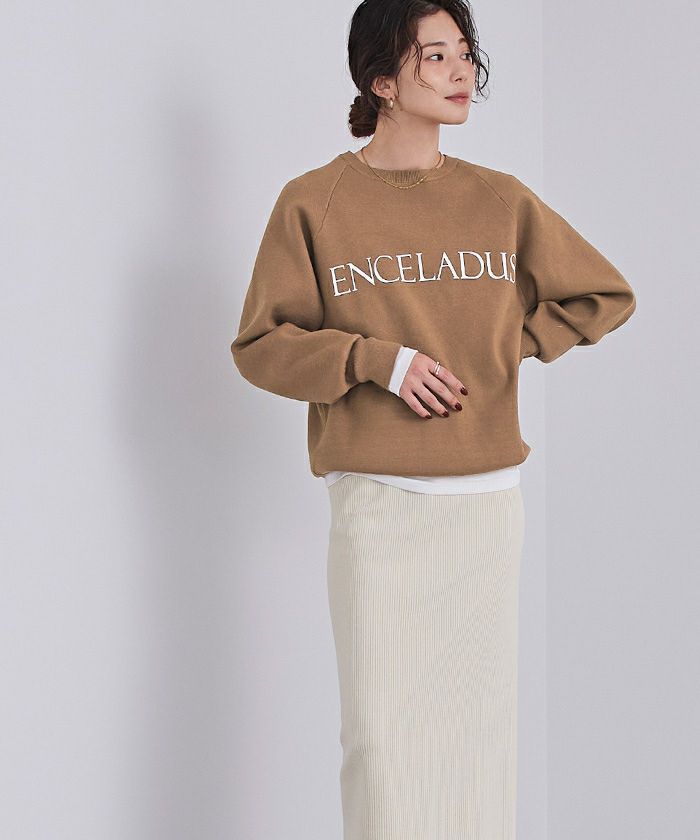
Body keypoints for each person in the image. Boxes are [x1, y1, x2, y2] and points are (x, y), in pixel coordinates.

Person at [230, 1, 636, 836]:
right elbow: (262, 346)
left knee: (475, 745)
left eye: (465, 54)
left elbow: (603, 294)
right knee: (381, 746)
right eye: (436, 56)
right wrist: (374, 361)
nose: (461, 73)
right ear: (382, 79)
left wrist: (506, 346)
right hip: (378, 507)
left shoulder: (500, 200)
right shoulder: (314, 203)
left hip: (485, 510)